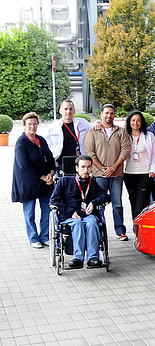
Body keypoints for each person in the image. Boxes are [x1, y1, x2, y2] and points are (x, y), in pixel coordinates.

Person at [49, 155, 110, 268]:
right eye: (82, 167)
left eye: (88, 167)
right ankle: (78, 258)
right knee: (78, 224)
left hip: (87, 215)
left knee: (92, 222)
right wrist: (70, 212)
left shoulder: (93, 183)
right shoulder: (64, 181)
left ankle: (93, 257)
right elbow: (53, 201)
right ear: (76, 168)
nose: (86, 170)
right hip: (69, 216)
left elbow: (106, 197)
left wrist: (93, 203)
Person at [84, 104, 131, 241]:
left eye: (111, 113)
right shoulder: (93, 131)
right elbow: (90, 152)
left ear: (114, 115)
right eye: (106, 113)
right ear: (101, 114)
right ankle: (98, 229)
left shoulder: (121, 132)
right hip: (99, 175)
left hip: (116, 174)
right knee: (99, 203)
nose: (109, 116)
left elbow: (125, 151)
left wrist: (113, 168)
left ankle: (120, 231)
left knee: (117, 204)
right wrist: (103, 169)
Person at [12, 112, 56, 248]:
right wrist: (43, 177)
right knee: (29, 212)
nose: (32, 126)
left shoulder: (41, 139)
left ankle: (44, 236)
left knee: (47, 210)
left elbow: (49, 157)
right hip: (28, 183)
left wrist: (51, 173)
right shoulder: (21, 142)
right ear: (24, 125)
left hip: (45, 182)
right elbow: (24, 165)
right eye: (29, 124)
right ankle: (33, 238)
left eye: (35, 124)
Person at [123, 111, 155, 220]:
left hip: (145, 174)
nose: (136, 123)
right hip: (129, 173)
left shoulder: (149, 136)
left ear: (142, 122)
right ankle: (136, 228)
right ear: (129, 122)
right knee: (133, 202)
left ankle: (141, 226)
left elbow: (154, 154)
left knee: (141, 203)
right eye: (133, 120)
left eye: (138, 120)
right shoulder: (124, 135)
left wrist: (153, 169)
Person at [44, 99, 92, 173]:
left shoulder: (82, 123)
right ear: (60, 111)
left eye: (70, 109)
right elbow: (47, 146)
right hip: (60, 164)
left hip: (79, 163)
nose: (68, 111)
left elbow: (94, 126)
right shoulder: (52, 128)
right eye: (65, 109)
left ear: (74, 111)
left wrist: (98, 122)